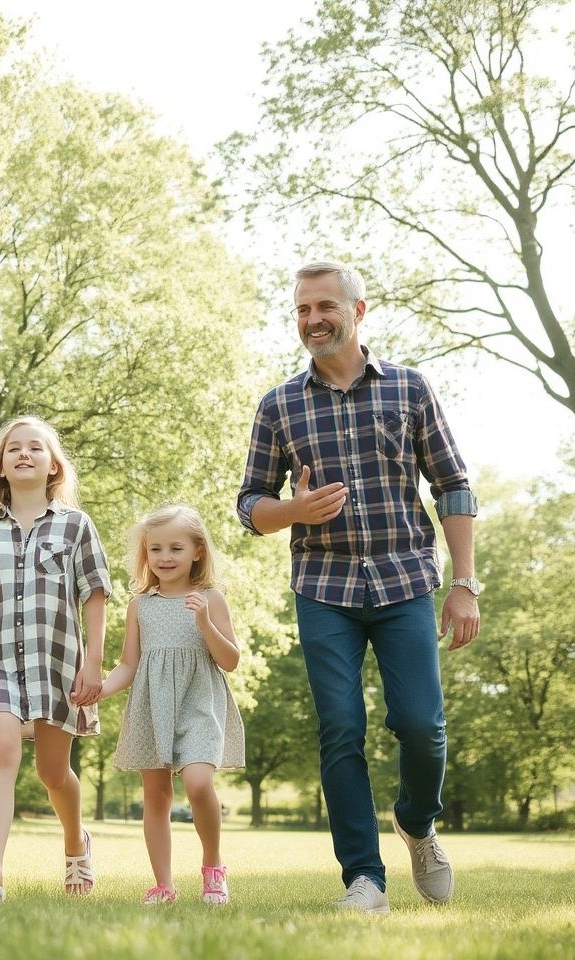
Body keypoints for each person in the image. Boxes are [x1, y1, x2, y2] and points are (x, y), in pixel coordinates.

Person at [237, 260, 482, 915]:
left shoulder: (410, 389)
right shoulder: (279, 405)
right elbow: (250, 506)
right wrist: (296, 510)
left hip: (405, 581)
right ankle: (364, 879)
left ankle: (417, 823)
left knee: (421, 726)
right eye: (300, 310)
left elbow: (454, 485)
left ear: (357, 310)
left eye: (324, 306)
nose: (312, 320)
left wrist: (465, 584)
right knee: (341, 729)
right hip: (323, 587)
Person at [0, 416, 111, 901]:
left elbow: (95, 595)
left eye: (35, 448)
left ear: (53, 464)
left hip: (57, 663)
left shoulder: (76, 526)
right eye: (13, 448)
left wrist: (94, 662)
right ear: (0, 467)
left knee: (53, 773)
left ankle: (76, 842)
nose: (23, 454)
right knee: (2, 748)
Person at [100, 504, 244, 906]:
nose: (165, 557)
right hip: (152, 704)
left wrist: (205, 624)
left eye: (176, 548)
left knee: (199, 783)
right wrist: (99, 688)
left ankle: (213, 866)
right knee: (157, 795)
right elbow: (128, 664)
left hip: (200, 703)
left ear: (197, 551)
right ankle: (163, 885)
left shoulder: (211, 599)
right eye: (155, 549)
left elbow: (230, 661)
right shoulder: (139, 605)